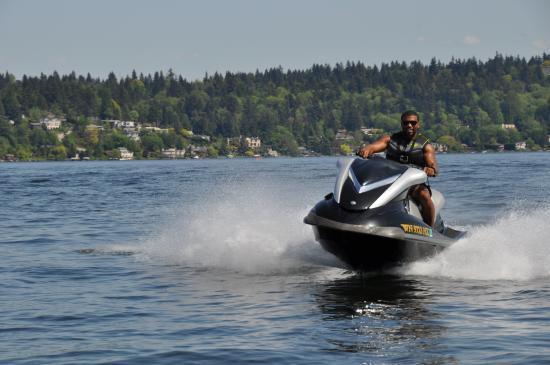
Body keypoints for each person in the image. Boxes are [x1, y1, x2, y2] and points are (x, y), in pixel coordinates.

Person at [356, 110, 438, 227]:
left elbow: (433, 165)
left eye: (413, 123)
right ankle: (357, 216)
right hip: (390, 181)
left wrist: (431, 169)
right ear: (401, 124)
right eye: (406, 123)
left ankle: (430, 229)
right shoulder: (390, 140)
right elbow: (373, 147)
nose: (409, 125)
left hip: (413, 185)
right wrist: (366, 150)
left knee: (424, 196)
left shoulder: (426, 146)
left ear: (418, 124)